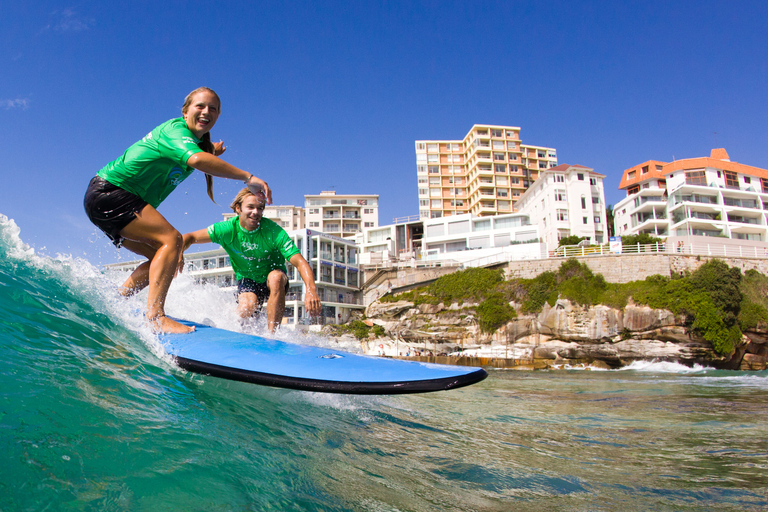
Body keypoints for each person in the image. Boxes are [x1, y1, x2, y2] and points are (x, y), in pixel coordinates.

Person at [84, 87, 271, 334]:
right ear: (185, 112)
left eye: (213, 109)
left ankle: (118, 300)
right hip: (112, 192)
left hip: (105, 199)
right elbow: (196, 159)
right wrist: (248, 177)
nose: (207, 112)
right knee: (173, 240)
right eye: (200, 106)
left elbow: (202, 153)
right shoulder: (175, 131)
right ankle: (156, 317)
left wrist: (213, 150)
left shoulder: (194, 142)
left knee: (163, 259)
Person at [181, 188, 321, 333]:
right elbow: (188, 237)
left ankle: (273, 335)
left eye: (260, 208)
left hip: (274, 280)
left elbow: (300, 262)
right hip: (248, 279)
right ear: (238, 208)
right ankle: (239, 333)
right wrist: (179, 253)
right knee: (247, 308)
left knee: (276, 277)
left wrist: (311, 290)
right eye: (250, 207)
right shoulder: (227, 230)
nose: (256, 212)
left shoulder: (273, 231)